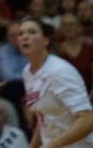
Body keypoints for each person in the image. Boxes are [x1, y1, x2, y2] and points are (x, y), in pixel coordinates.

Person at [19, 16, 93, 148]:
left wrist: (52, 145)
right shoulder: (27, 72)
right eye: (21, 33)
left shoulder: (59, 71)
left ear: (46, 40)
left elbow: (88, 119)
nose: (25, 36)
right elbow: (43, 118)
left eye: (32, 32)